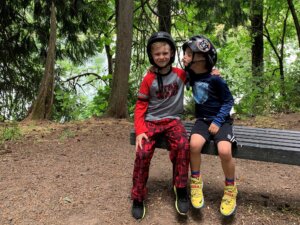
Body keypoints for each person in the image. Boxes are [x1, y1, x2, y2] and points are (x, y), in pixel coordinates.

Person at [131, 31, 190, 220]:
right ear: (152, 56)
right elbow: (140, 107)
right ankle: (138, 197)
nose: (162, 57)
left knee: (183, 146)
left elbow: (200, 79)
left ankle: (180, 188)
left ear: (172, 53)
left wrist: (212, 72)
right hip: (151, 122)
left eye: (165, 53)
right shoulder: (148, 79)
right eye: (157, 54)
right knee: (142, 153)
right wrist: (140, 131)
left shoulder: (181, 75)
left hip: (173, 120)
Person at [182, 35, 237, 216]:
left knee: (224, 151)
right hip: (202, 120)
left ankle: (230, 188)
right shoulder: (190, 75)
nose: (184, 57)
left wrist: (218, 121)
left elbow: (228, 101)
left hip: (221, 120)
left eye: (189, 54)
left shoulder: (216, 79)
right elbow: (174, 78)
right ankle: (196, 182)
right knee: (194, 145)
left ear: (201, 57)